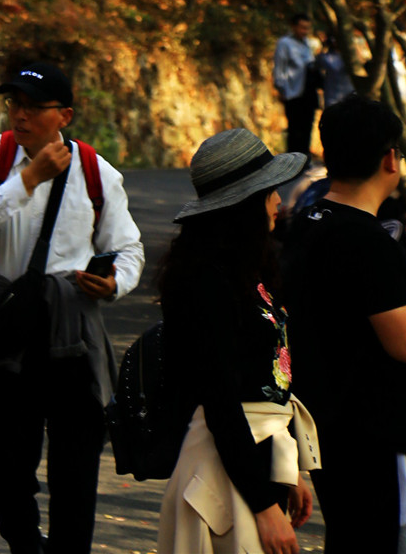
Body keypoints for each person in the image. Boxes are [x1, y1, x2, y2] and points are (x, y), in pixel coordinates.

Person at [0, 57, 145, 554]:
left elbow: (128, 246)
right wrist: (26, 179)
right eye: (14, 103)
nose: (20, 115)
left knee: (76, 463)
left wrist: (115, 282)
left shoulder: (97, 171)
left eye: (35, 107)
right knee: (8, 463)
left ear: (65, 116)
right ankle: (24, 543)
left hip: (73, 327)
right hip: (8, 327)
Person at [157, 129, 315, 554]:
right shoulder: (204, 282)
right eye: (270, 192)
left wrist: (289, 470)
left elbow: (263, 379)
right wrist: (264, 506)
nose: (280, 202)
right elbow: (222, 405)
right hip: (222, 470)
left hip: (252, 461)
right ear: (244, 204)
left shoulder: (249, 268)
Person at [284, 94, 406, 551]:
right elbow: (404, 342)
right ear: (389, 159)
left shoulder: (308, 222)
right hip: (369, 431)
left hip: (323, 424)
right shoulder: (368, 242)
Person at [273, 13, 318, 159]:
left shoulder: (307, 44)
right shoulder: (284, 43)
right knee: (294, 127)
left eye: (307, 28)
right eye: (302, 27)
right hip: (293, 91)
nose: (304, 31)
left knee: (307, 125)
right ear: (294, 26)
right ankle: (292, 160)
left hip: (308, 90)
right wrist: (281, 88)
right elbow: (279, 67)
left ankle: (304, 157)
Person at [311, 31, 354, 113]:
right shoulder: (326, 57)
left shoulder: (349, 56)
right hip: (332, 97)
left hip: (348, 97)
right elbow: (316, 65)